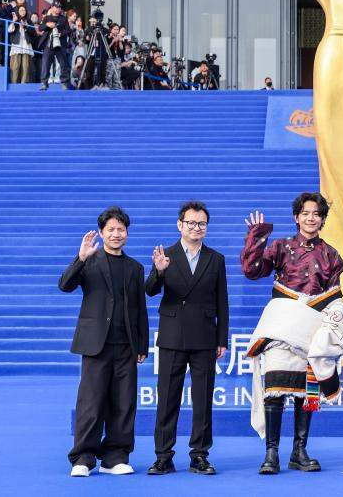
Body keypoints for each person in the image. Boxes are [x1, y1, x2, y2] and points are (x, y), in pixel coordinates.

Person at [240, 193, 343, 475]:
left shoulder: (332, 256)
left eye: (316, 214)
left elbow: (334, 298)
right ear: (296, 217)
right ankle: (271, 453)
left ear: (323, 219)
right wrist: (256, 237)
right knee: (275, 391)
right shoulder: (280, 246)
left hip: (312, 333)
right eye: (305, 213)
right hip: (282, 329)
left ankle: (299, 451)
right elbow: (252, 271)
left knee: (307, 393)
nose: (310, 218)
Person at [58, 206, 149, 478]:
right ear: (101, 232)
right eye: (111, 229)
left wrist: (142, 345)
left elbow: (140, 309)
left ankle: (115, 457)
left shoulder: (135, 268)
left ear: (127, 233)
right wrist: (80, 258)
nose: (116, 234)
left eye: (121, 229)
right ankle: (83, 458)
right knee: (91, 402)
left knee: (124, 403)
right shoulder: (90, 261)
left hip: (126, 346)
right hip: (95, 344)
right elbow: (64, 285)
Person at [145, 201, 229, 477]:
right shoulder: (166, 255)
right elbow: (150, 290)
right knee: (167, 398)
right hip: (172, 335)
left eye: (201, 223)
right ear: (180, 225)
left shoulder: (215, 259)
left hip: (204, 336)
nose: (196, 227)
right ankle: (163, 456)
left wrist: (222, 338)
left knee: (203, 399)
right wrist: (158, 271)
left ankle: (199, 455)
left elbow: (222, 301)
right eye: (191, 223)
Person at [38, 2, 70, 90]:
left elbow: (68, 30)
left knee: (63, 63)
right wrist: (47, 25)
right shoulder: (47, 18)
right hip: (49, 44)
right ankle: (44, 83)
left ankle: (64, 82)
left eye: (59, 7)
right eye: (56, 7)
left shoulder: (63, 18)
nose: (58, 9)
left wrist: (61, 34)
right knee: (45, 63)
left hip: (60, 43)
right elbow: (40, 28)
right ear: (52, 7)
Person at [8, 4, 34, 84]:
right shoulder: (15, 20)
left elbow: (33, 32)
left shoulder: (29, 21)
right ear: (18, 12)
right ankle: (14, 83)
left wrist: (26, 27)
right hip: (17, 45)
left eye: (24, 10)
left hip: (26, 45)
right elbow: (9, 30)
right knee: (15, 66)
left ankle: (24, 84)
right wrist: (14, 21)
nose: (23, 11)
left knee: (25, 66)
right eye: (21, 10)